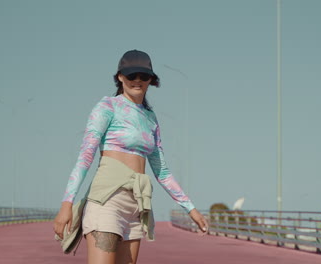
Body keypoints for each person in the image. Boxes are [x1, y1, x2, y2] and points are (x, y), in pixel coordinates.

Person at [53, 49, 208, 264]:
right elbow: (85, 157)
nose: (137, 81)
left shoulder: (150, 118)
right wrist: (66, 204)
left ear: (151, 80)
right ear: (120, 77)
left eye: (143, 76)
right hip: (107, 201)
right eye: (131, 75)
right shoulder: (108, 106)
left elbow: (162, 171)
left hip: (136, 207)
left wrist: (191, 209)